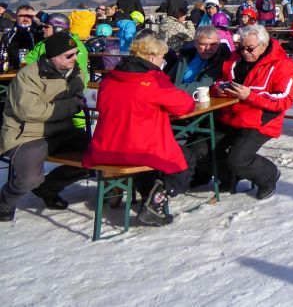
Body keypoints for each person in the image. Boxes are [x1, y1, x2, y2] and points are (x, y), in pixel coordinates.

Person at [83, 34, 198, 226]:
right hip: (138, 148)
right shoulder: (153, 80)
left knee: (151, 158)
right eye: (162, 56)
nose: (163, 60)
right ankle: (155, 202)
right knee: (185, 161)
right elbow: (185, 106)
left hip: (105, 147)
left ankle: (145, 195)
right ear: (152, 57)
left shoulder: (110, 77)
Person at [0, 32, 89, 222]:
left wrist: (76, 103)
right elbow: (29, 111)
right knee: (29, 179)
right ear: (52, 57)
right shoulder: (28, 76)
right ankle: (4, 201)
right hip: (27, 134)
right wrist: (71, 106)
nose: (75, 58)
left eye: (76, 53)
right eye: (69, 55)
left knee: (98, 155)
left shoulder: (75, 72)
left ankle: (48, 188)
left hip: (63, 130)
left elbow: (79, 98)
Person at [209, 25, 293, 199]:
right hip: (231, 115)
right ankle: (229, 177)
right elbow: (219, 81)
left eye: (250, 48)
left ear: (263, 45)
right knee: (205, 146)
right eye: (241, 48)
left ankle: (268, 175)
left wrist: (250, 96)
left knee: (238, 158)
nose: (245, 52)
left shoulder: (283, 65)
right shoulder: (235, 59)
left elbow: (284, 100)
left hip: (261, 119)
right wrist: (218, 89)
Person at [166, 26, 231, 94]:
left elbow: (202, 85)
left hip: (197, 98)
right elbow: (169, 77)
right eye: (203, 44)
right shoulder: (186, 56)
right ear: (195, 44)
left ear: (218, 43)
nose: (208, 48)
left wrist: (171, 90)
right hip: (175, 95)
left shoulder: (221, 59)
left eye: (213, 44)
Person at [0, 5, 44, 71]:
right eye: (22, 16)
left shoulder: (40, 32)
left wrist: (38, 16)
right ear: (16, 16)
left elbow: (56, 25)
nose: (26, 18)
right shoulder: (8, 33)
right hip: (12, 70)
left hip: (35, 69)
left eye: (29, 16)